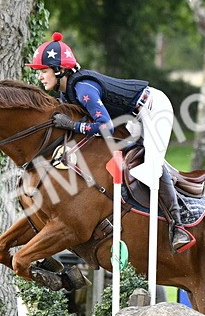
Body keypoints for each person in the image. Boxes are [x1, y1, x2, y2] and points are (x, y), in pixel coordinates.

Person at [26, 31, 189, 252]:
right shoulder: (66, 94)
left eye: (43, 71)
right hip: (130, 119)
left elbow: (105, 127)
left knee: (152, 166)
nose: (40, 77)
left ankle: (178, 226)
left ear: (58, 69)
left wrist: (73, 126)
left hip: (152, 109)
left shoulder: (82, 88)